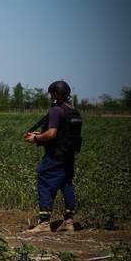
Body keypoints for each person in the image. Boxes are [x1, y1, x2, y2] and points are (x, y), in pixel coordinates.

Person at [24, 80, 83, 233]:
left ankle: (44, 223)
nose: (51, 96)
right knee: (66, 184)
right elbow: (63, 133)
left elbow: (52, 134)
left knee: (44, 180)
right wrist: (39, 134)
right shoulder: (73, 110)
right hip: (68, 155)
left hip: (55, 156)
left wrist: (36, 138)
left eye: (51, 94)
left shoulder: (56, 110)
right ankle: (69, 222)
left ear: (56, 94)